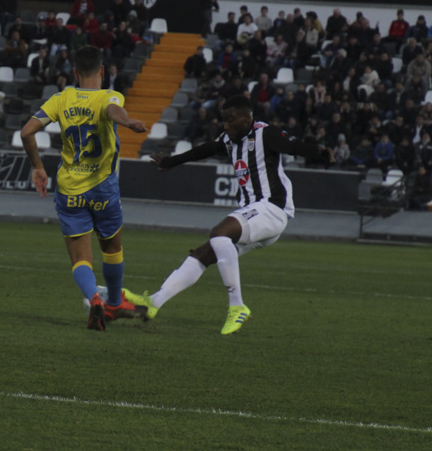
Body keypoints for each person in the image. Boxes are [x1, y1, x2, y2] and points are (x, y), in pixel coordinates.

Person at [125, 96, 332, 335]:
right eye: (224, 121)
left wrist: (320, 152)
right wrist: (172, 162)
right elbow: (204, 150)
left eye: (230, 121)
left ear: (247, 119)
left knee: (219, 233)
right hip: (255, 216)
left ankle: (237, 306)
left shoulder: (265, 134)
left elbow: (295, 146)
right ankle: (154, 303)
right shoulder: (228, 140)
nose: (225, 126)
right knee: (204, 252)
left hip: (272, 209)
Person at [19, 46, 148, 331]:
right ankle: (114, 301)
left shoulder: (61, 98)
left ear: (75, 73)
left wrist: (38, 167)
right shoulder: (108, 96)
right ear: (102, 71)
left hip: (69, 190)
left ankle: (93, 298)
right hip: (103, 189)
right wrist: (126, 121)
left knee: (80, 258)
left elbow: (26, 131)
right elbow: (112, 110)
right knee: (112, 248)